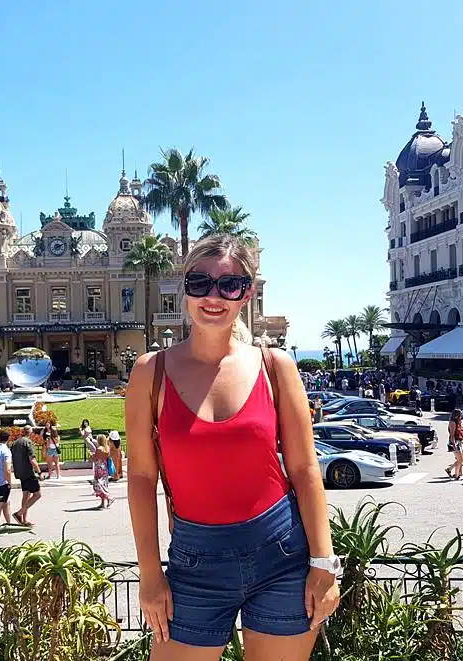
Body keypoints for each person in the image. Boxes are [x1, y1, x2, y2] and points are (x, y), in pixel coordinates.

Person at [125, 234, 338, 657]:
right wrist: (150, 573)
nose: (214, 296)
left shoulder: (275, 366)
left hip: (280, 552)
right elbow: (142, 478)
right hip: (195, 559)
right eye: (200, 283)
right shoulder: (151, 372)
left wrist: (324, 563)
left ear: (247, 294)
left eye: (230, 285)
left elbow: (304, 469)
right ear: (184, 289)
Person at [11, 425, 42, 526]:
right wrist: (39, 472)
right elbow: (32, 459)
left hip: (20, 473)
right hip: (29, 473)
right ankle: (19, 514)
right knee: (37, 495)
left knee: (26, 495)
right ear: (30, 432)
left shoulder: (15, 443)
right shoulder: (28, 442)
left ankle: (24, 520)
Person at [92, 433, 114, 508]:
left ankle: (109, 497)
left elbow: (95, 459)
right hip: (105, 468)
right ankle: (103, 503)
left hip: (99, 468)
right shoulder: (107, 448)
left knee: (98, 484)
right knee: (103, 484)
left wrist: (91, 455)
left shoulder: (99, 449)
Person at [445, 409, 463, 480]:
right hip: (455, 442)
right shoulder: (452, 422)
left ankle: (450, 470)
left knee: (461, 459)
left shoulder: (458, 422)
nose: (461, 416)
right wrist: (454, 444)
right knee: (460, 459)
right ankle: (456, 474)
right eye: (460, 414)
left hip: (459, 442)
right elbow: (452, 434)